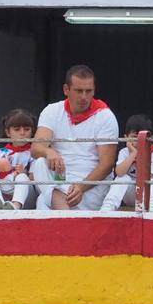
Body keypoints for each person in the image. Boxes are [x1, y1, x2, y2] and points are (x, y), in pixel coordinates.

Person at [29, 64, 118, 211]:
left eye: (88, 91)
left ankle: (62, 209)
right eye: (78, 91)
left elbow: (107, 164)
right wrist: (49, 152)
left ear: (94, 90)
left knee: (42, 201)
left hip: (89, 187)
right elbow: (36, 148)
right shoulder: (52, 111)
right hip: (59, 179)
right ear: (66, 90)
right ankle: (64, 211)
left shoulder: (105, 116)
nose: (84, 97)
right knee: (39, 163)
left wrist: (80, 187)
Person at [100, 114, 153, 212]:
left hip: (149, 194)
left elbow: (148, 177)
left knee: (152, 183)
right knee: (122, 178)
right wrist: (133, 154)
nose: (138, 142)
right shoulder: (124, 152)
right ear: (126, 137)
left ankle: (152, 213)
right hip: (131, 194)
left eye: (142, 138)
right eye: (134, 137)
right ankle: (107, 209)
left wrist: (141, 156)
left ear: (150, 139)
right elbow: (119, 172)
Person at [0, 109, 35, 211]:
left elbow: (37, 181)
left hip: (26, 196)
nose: (22, 133)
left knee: (22, 177)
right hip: (6, 189)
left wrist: (25, 172)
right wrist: (2, 169)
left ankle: (15, 206)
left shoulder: (34, 152)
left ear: (32, 131)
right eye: (17, 129)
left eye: (27, 129)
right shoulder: (0, 152)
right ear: (8, 132)